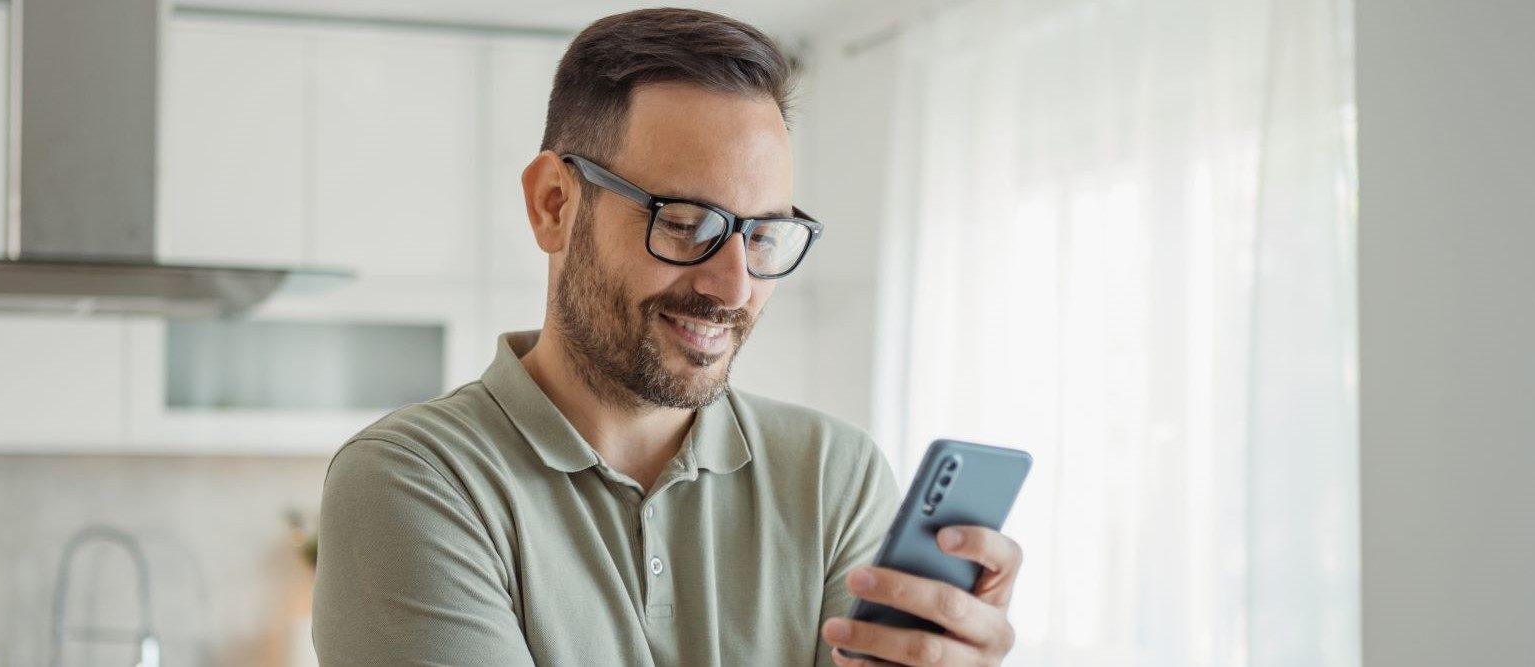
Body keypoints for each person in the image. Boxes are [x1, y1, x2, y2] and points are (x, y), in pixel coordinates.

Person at [311, 7, 1024, 666]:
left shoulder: (833, 475)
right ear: (554, 204)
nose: (735, 287)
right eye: (686, 224)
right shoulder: (416, 480)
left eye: (763, 235)